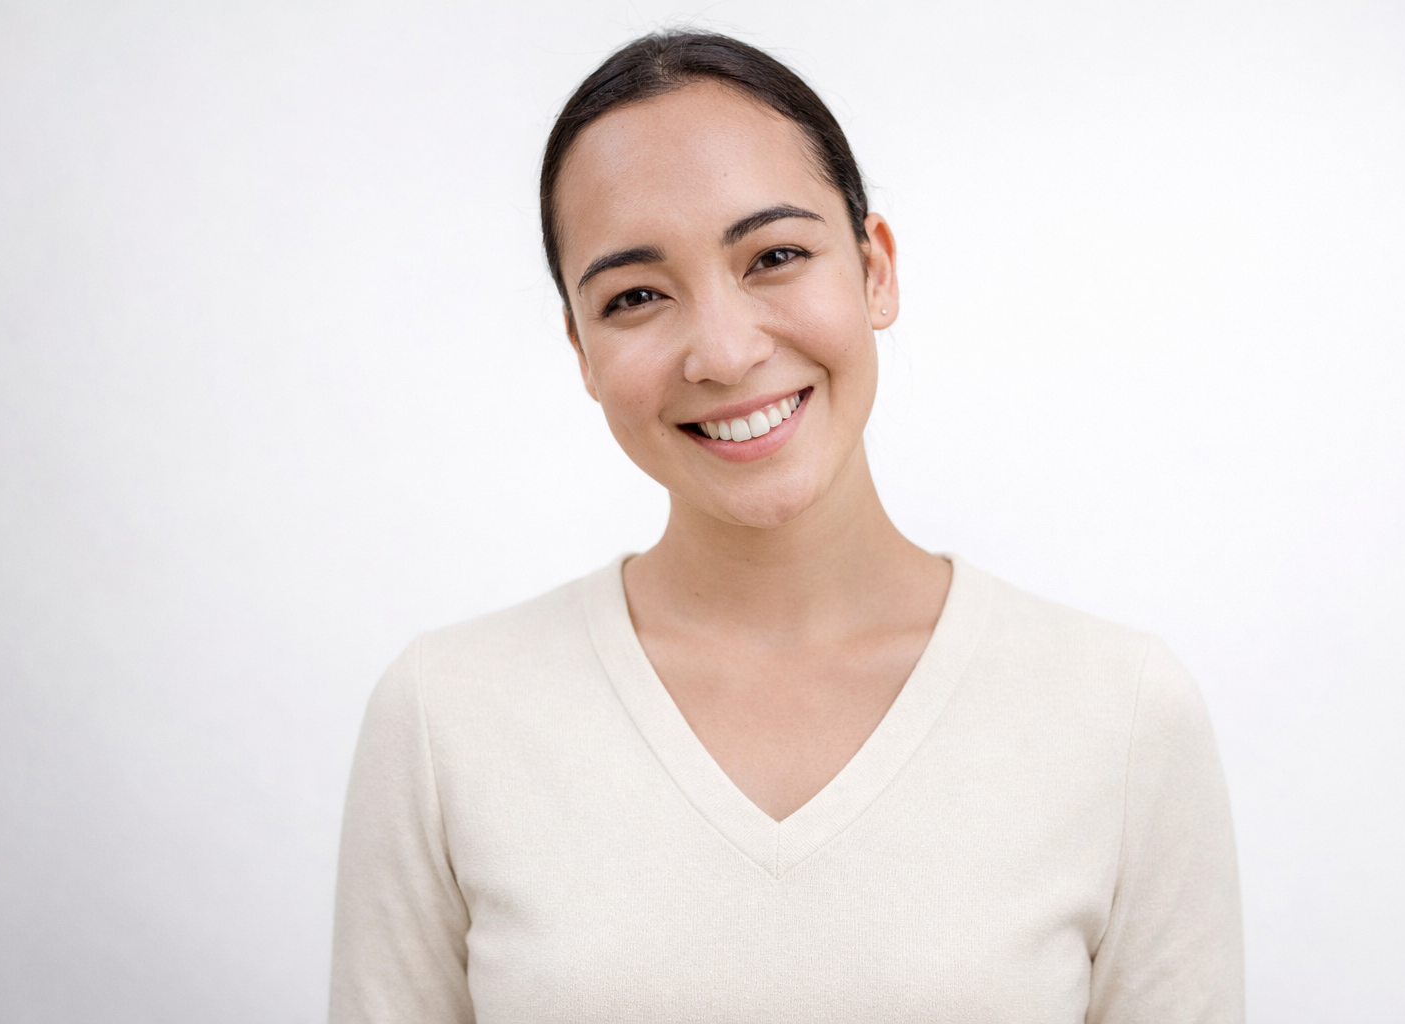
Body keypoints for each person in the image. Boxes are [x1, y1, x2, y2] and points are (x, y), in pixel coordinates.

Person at [328, 30, 1243, 1024]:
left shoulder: (1120, 713)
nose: (722, 352)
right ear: (581, 348)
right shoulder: (445, 717)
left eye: (774, 256)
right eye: (635, 296)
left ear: (874, 269)